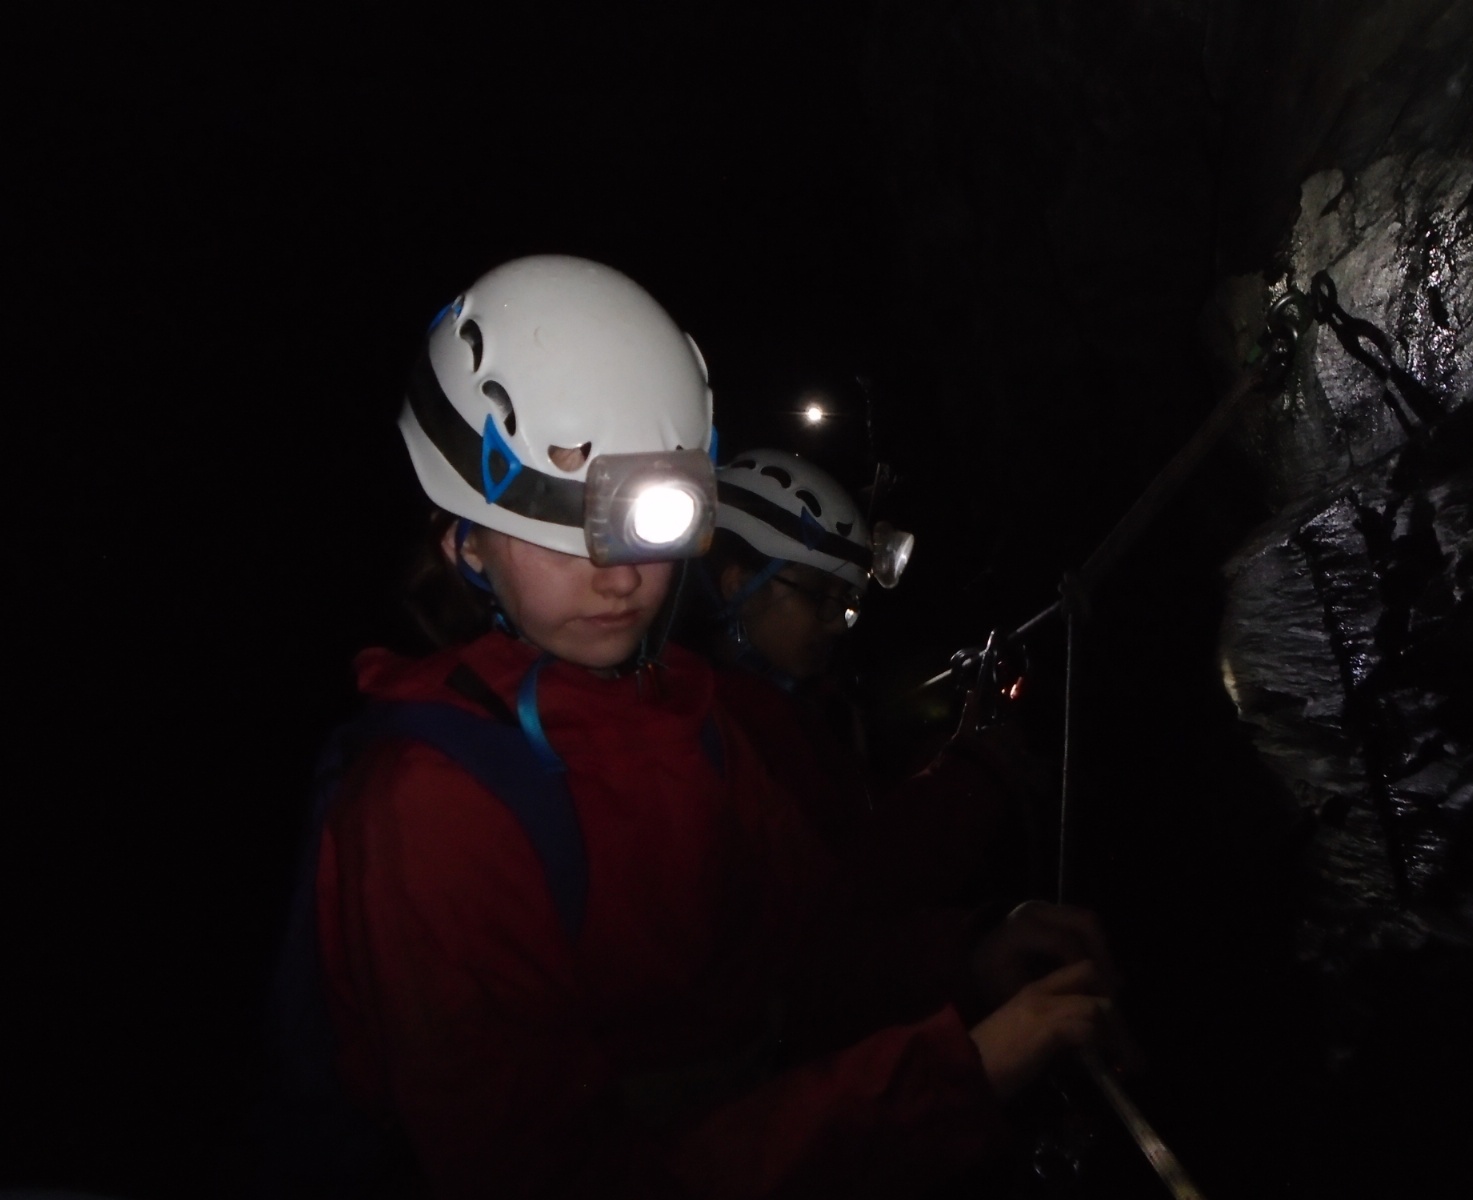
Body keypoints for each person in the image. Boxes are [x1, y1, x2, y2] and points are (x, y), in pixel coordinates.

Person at [268, 255, 1122, 1199]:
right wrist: (955, 1076)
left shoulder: (685, 714)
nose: (617, 574)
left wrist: (968, 960)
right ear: (463, 542)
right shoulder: (432, 807)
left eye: (646, 521)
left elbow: (800, 959)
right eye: (554, 527)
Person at [701, 448, 1041, 904]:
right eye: (819, 595)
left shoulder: (811, 709)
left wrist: (939, 757)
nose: (837, 625)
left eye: (845, 603)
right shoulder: (724, 725)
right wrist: (973, 769)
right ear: (739, 584)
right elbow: (846, 888)